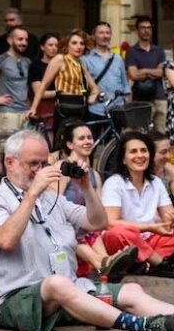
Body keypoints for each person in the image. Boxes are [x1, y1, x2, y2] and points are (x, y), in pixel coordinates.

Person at [0, 129, 174, 331]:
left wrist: (86, 188)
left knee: (131, 290)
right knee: (56, 285)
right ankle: (138, 325)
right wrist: (32, 193)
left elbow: (97, 223)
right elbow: (6, 240)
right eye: (32, 164)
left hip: (67, 294)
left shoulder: (51, 199)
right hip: (17, 300)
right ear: (10, 163)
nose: (40, 171)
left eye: (43, 164)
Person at [100, 131, 174, 274]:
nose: (140, 155)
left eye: (144, 151)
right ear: (123, 159)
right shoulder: (114, 183)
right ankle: (160, 264)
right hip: (125, 240)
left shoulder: (156, 183)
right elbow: (111, 223)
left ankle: (143, 261)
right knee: (119, 233)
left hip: (152, 240)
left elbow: (168, 219)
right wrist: (150, 227)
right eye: (133, 152)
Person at [51, 120, 136, 281]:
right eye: (81, 138)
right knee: (75, 233)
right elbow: (54, 203)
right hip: (65, 226)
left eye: (90, 137)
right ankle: (103, 264)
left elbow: (99, 211)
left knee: (92, 230)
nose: (87, 141)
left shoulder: (94, 175)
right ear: (70, 144)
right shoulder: (64, 168)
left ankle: (106, 262)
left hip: (87, 227)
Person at [27, 30, 100, 131]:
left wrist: (93, 96)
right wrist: (33, 108)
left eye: (82, 44)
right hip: (65, 108)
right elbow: (43, 85)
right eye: (74, 43)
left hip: (81, 108)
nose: (78, 46)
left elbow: (95, 88)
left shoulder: (80, 63)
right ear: (67, 45)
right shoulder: (60, 59)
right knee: (63, 142)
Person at [125, 15, 167, 131]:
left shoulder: (159, 51)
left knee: (160, 132)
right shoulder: (131, 52)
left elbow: (161, 72)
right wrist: (152, 71)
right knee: (140, 131)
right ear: (137, 30)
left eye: (148, 28)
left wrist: (143, 70)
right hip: (140, 97)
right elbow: (133, 74)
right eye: (143, 27)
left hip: (159, 96)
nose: (146, 30)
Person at [82, 22, 129, 122]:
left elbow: (125, 85)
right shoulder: (85, 59)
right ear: (94, 36)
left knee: (115, 138)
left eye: (108, 33)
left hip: (117, 108)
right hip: (94, 109)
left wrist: (127, 104)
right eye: (101, 33)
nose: (105, 36)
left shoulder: (118, 58)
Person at [28, 32, 60, 129]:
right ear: (42, 47)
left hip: (59, 106)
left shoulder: (62, 65)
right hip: (43, 107)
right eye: (50, 45)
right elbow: (39, 92)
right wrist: (60, 92)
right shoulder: (35, 66)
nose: (54, 48)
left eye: (56, 45)